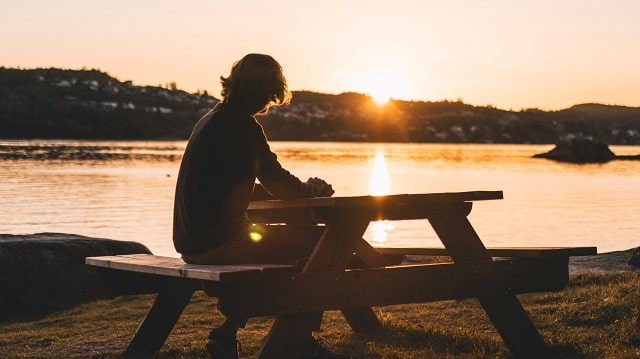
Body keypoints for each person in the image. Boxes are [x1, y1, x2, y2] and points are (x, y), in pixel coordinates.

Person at [173, 54, 347, 359]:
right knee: (323, 242)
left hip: (192, 243)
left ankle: (229, 332)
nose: (270, 102)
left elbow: (234, 187)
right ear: (265, 90)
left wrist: (291, 192)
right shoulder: (242, 126)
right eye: (270, 93)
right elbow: (280, 185)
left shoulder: (212, 119)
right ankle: (299, 342)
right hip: (222, 244)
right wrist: (313, 189)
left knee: (294, 242)